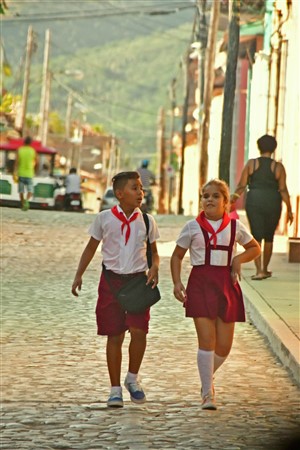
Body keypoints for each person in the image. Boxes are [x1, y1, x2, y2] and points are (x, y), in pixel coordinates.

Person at [71, 171, 160, 408]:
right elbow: (91, 248)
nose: (140, 192)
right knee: (115, 335)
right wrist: (79, 274)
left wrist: (155, 268)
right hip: (111, 282)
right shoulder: (104, 219)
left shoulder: (148, 221)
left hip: (138, 282)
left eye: (141, 188)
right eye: (134, 188)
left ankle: (132, 378)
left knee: (140, 331)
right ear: (120, 194)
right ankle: (114, 389)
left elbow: (154, 251)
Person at [170, 179, 260, 410]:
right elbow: (177, 256)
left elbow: (255, 248)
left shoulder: (234, 227)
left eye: (215, 196)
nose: (209, 199)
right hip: (200, 284)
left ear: (226, 202)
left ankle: (206, 379)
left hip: (226, 286)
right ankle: (207, 392)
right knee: (207, 341)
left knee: (224, 347)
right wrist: (177, 282)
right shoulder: (191, 227)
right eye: (205, 195)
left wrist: (238, 259)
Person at [231, 134, 294, 280]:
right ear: (274, 148)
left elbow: (241, 185)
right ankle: (265, 269)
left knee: (256, 235)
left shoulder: (251, 164)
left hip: (254, 201)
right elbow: (283, 189)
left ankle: (258, 270)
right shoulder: (278, 167)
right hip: (272, 201)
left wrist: (232, 199)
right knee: (269, 236)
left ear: (259, 147)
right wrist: (290, 209)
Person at [14, 136, 37, 211]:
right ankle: (27, 200)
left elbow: (16, 162)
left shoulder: (20, 150)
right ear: (30, 143)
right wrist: (35, 169)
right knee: (30, 190)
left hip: (21, 173)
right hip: (30, 173)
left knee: (21, 191)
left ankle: (23, 204)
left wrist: (15, 171)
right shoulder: (33, 151)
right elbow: (37, 161)